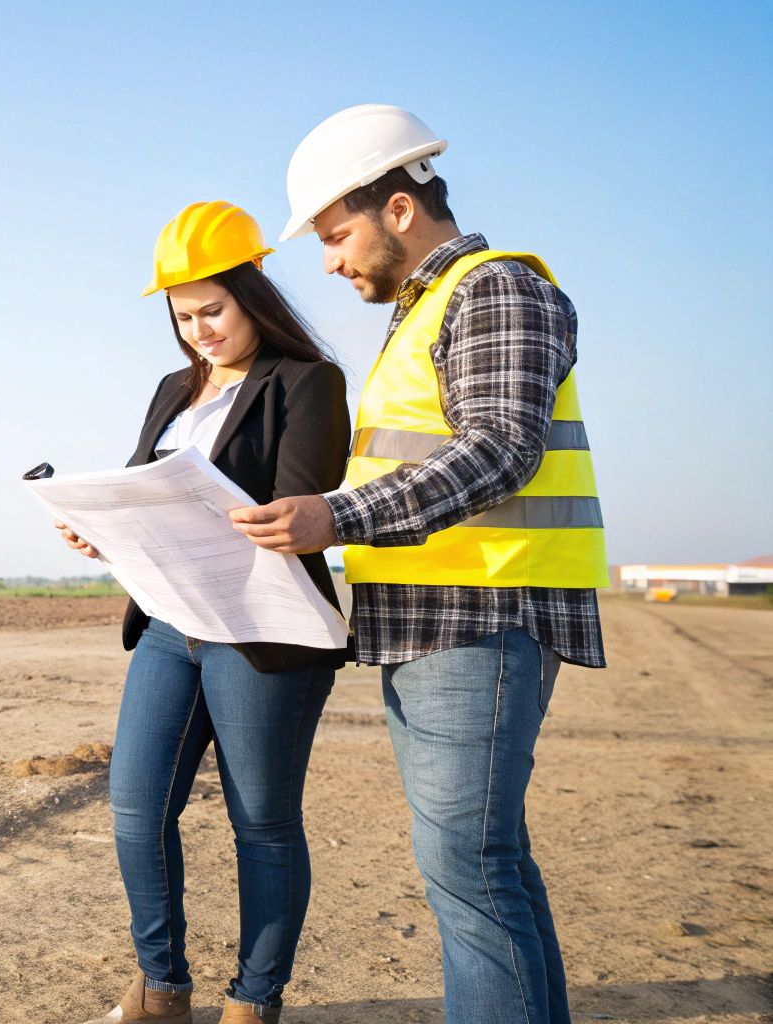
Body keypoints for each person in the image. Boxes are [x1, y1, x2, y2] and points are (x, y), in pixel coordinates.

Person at [230, 104, 607, 1024]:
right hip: (433, 623)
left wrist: (338, 514)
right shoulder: (426, 312)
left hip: (480, 619)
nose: (328, 260)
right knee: (490, 865)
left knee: (469, 874)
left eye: (336, 234)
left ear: (399, 208)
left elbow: (500, 451)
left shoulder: (494, 290)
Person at [55, 201, 351, 1024]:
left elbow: (299, 509)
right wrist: (100, 532)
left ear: (255, 293)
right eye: (183, 318)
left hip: (259, 634)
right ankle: (161, 989)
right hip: (167, 627)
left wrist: (212, 513)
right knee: (135, 806)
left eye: (212, 311)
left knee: (261, 824)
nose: (199, 332)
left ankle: (255, 1003)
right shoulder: (170, 391)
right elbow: (134, 488)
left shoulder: (309, 383)